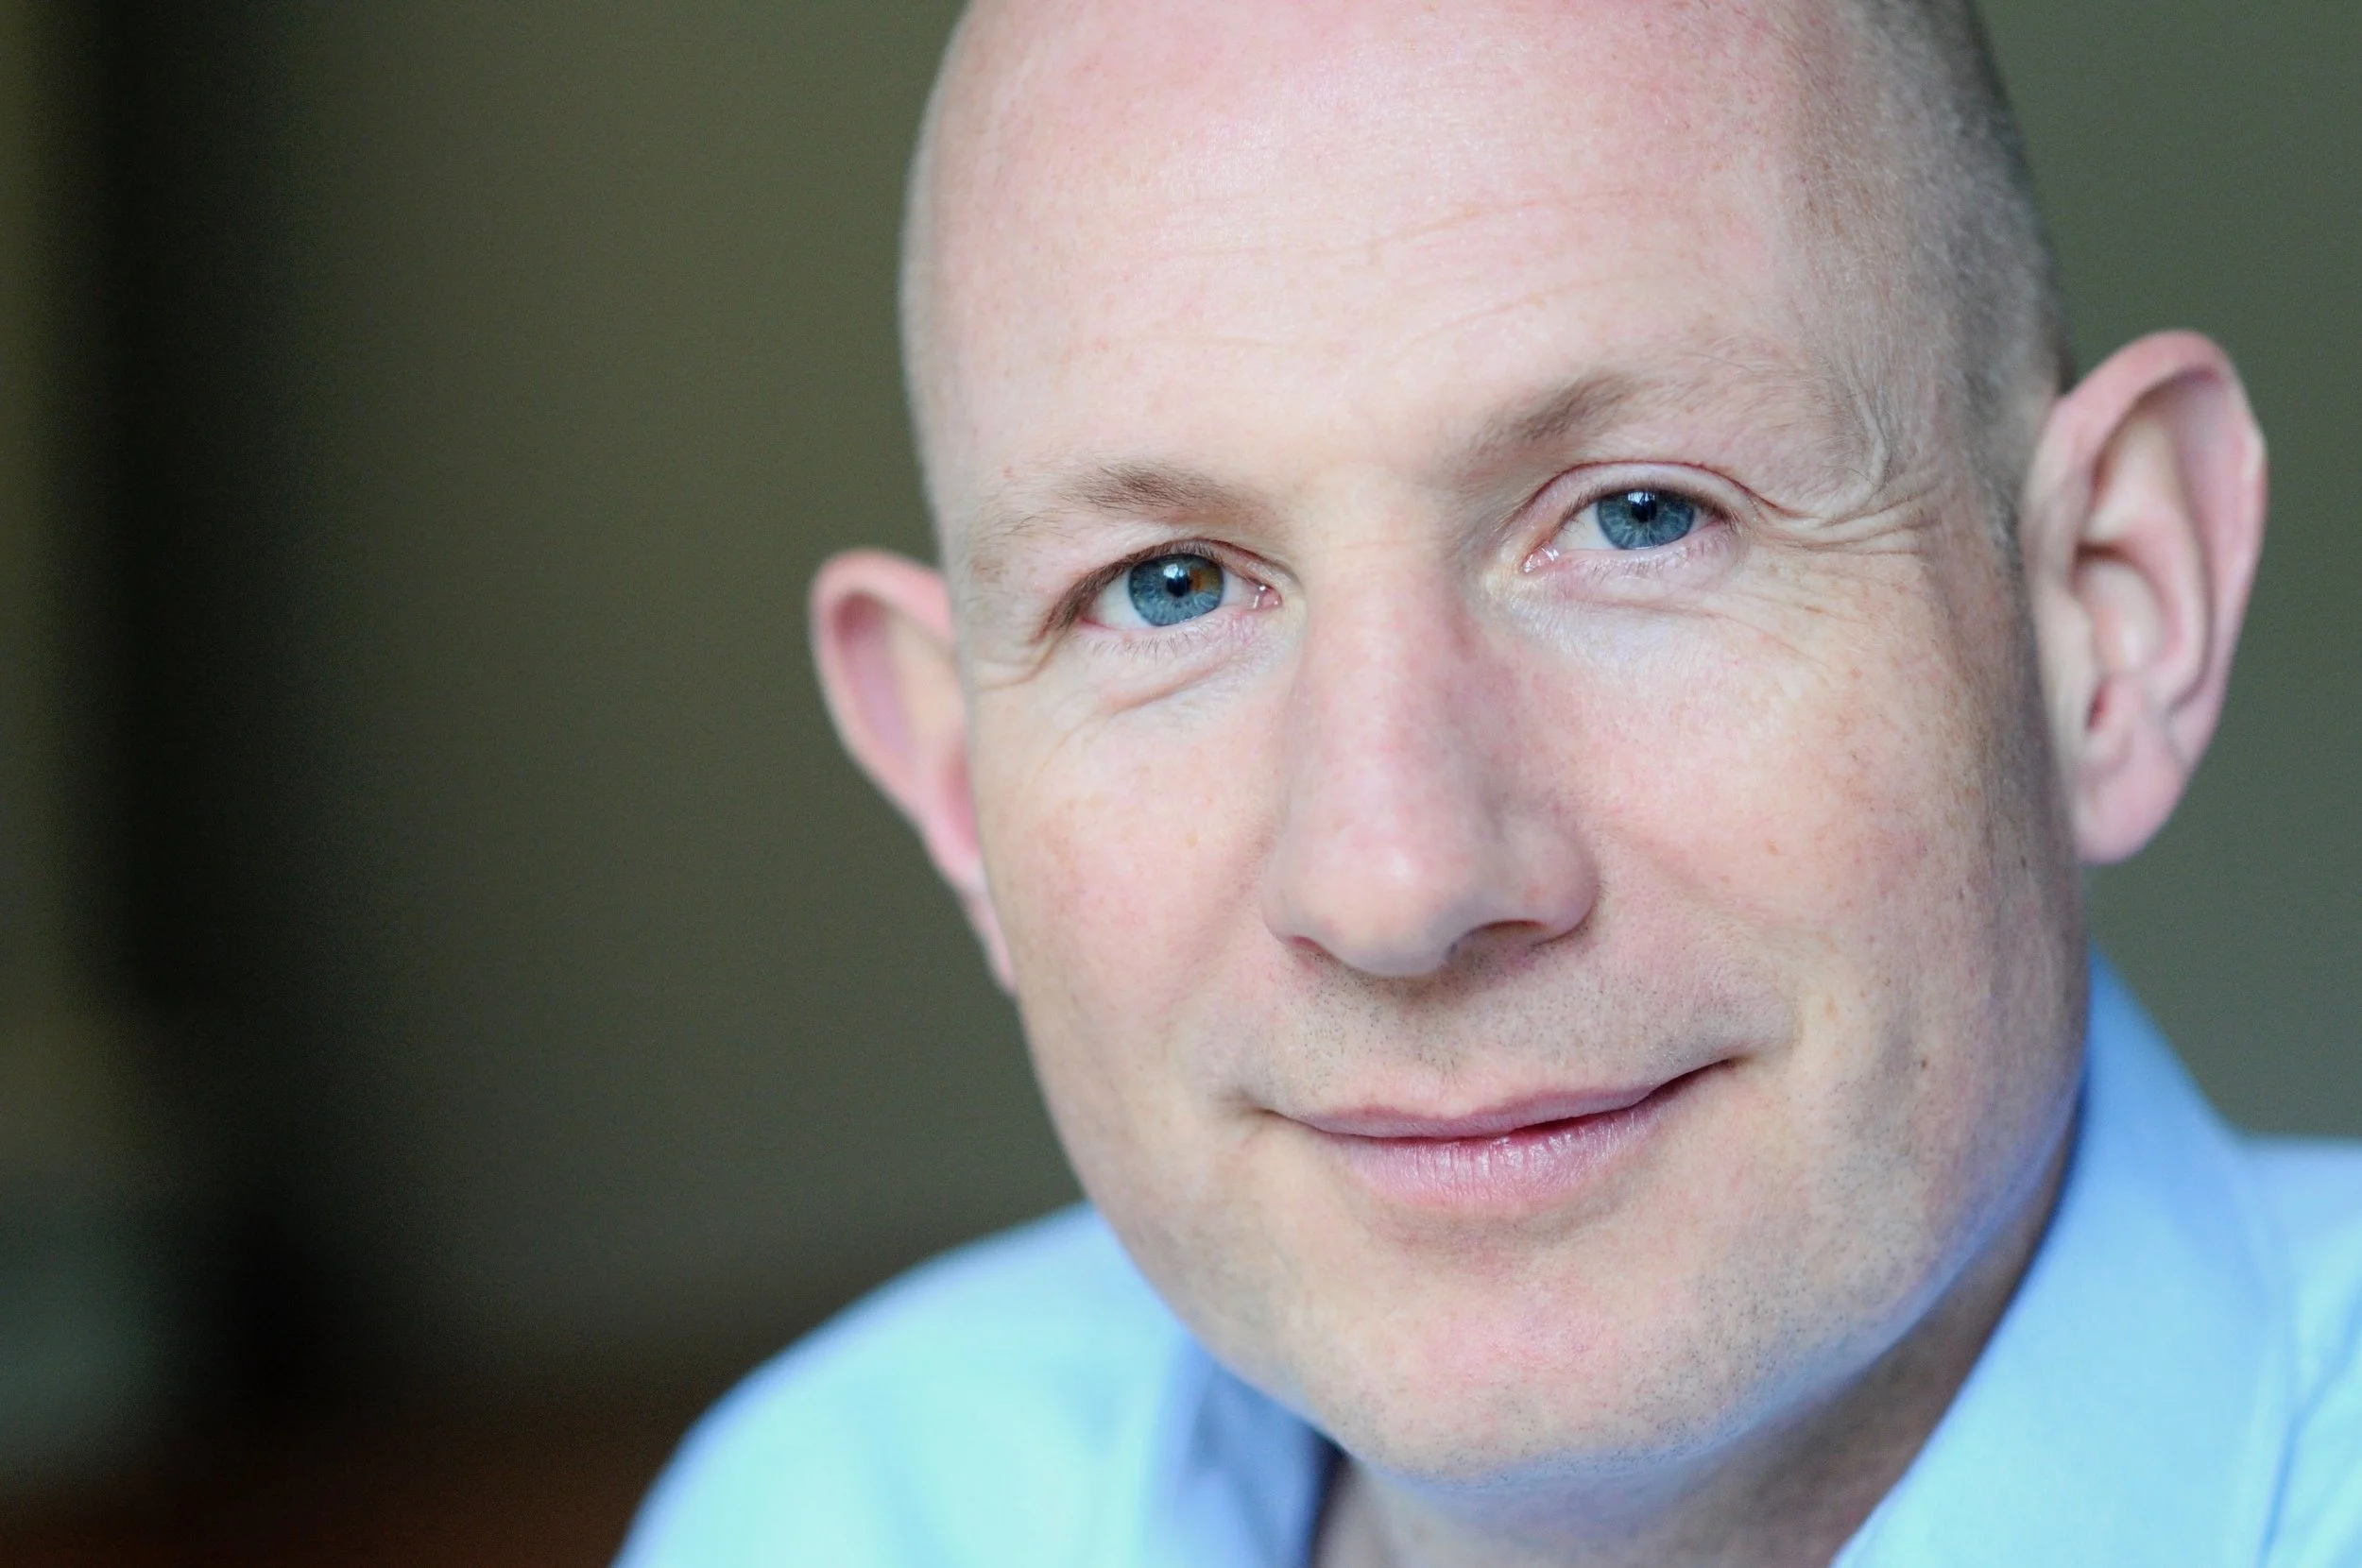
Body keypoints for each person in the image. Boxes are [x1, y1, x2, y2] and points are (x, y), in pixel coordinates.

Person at [618, 0, 2362, 1562]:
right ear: (952, 775)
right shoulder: (840, 1509)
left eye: (1640, 515)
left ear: (2110, 621)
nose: (1399, 880)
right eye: (1168, 588)